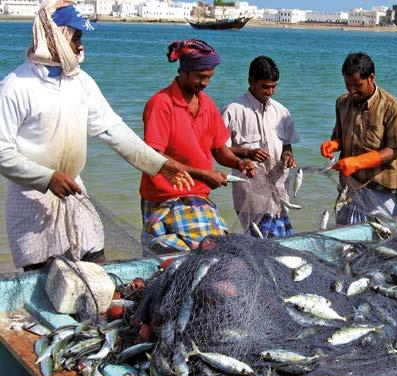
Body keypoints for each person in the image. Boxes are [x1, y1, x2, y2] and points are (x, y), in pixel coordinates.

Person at [0, 1, 191, 271]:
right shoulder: (16, 87)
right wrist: (46, 178)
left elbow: (113, 130)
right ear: (54, 37)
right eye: (76, 37)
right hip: (31, 196)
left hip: (73, 189)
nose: (81, 45)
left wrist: (160, 164)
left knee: (94, 262)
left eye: (81, 38)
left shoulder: (80, 82)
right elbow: (2, 153)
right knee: (43, 276)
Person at [140, 39, 255, 253]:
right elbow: (154, 157)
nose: (205, 83)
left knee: (217, 254)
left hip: (199, 198)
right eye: (200, 77)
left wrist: (240, 162)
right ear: (184, 71)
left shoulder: (207, 105)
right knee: (169, 263)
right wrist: (203, 175)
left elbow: (220, 151)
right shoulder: (160, 104)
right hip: (164, 199)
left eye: (209, 77)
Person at [320, 52, 397, 225]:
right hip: (349, 190)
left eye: (357, 85)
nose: (352, 91)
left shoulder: (393, 107)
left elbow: (395, 150)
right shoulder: (341, 102)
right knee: (345, 245)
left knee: (381, 245)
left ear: (371, 77)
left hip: (380, 193)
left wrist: (358, 162)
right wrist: (333, 144)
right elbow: (340, 136)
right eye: (348, 85)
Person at [223, 56, 299, 237]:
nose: (270, 92)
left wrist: (288, 156)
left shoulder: (282, 112)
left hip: (280, 195)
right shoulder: (233, 110)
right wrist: (247, 152)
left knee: (284, 245)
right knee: (264, 248)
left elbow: (286, 144)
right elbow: (219, 149)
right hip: (251, 198)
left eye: (274, 86)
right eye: (266, 87)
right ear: (251, 81)